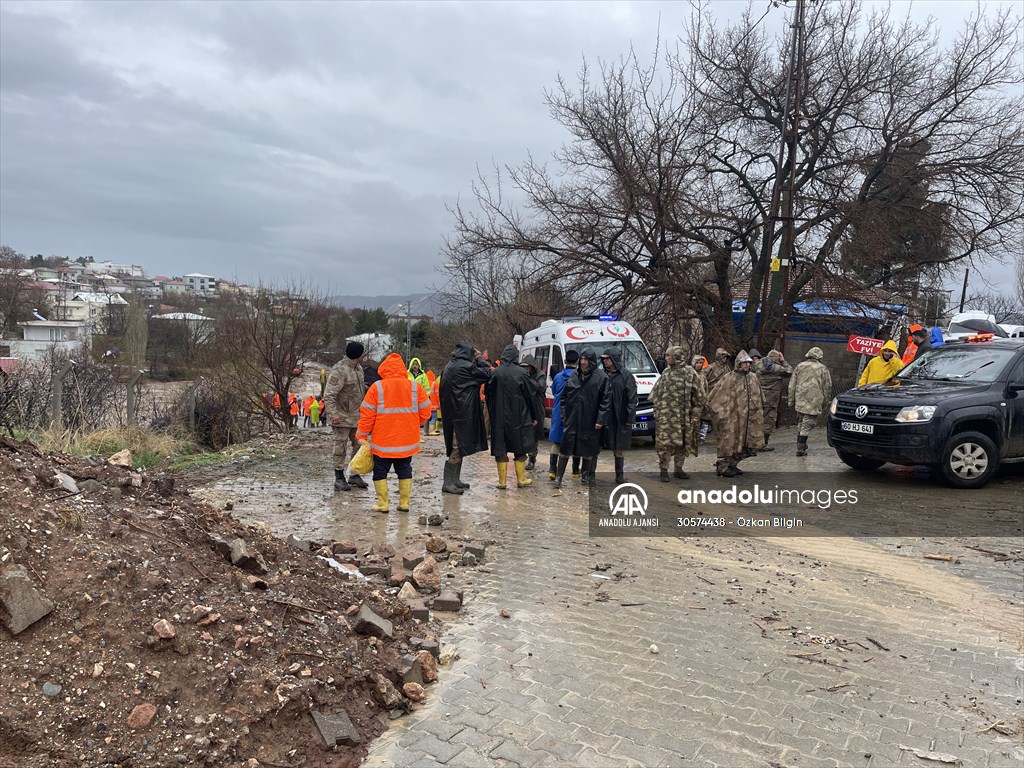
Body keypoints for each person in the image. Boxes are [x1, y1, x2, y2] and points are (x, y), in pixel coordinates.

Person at [357, 353, 431, 512]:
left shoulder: (377, 387)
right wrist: (414, 424)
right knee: (405, 469)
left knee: (380, 471)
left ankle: (383, 504)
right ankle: (404, 503)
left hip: (383, 441)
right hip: (406, 441)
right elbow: (426, 411)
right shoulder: (414, 387)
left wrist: (362, 435)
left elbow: (367, 415)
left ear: (384, 368)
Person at [485, 345, 542, 489]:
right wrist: (534, 416)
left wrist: (493, 412)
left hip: (499, 418)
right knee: (520, 447)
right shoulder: (522, 373)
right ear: (516, 357)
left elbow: (488, 393)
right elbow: (531, 396)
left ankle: (502, 482)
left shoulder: (495, 373)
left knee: (501, 448)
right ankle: (521, 479)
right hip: (519, 417)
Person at [554, 349, 611, 488]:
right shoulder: (574, 375)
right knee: (565, 448)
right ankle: (558, 477)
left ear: (591, 361)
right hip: (572, 418)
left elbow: (606, 400)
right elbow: (563, 398)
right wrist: (564, 416)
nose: (583, 362)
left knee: (588, 448)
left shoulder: (601, 377)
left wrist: (600, 419)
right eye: (582, 359)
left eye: (586, 359)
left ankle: (585, 476)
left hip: (590, 419)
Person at [439, 341, 491, 494]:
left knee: (458, 445)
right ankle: (448, 483)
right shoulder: (465, 367)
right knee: (457, 445)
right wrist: (480, 358)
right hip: (461, 412)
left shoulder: (450, 365)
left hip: (454, 412)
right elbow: (487, 373)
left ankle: (455, 479)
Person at [649, 345, 706, 482]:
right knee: (664, 443)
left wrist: (696, 414)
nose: (666, 358)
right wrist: (656, 410)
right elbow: (657, 393)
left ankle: (678, 468)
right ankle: (664, 469)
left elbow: (699, 396)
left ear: (676, 357)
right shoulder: (666, 373)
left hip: (683, 416)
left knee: (682, 443)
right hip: (666, 417)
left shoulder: (689, 373)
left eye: (668, 356)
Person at [706, 350, 765, 477]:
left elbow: (760, 397)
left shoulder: (753, 378)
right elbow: (715, 398)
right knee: (730, 442)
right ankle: (722, 466)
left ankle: (733, 464)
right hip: (734, 418)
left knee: (746, 444)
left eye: (748, 363)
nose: (747, 365)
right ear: (738, 363)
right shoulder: (729, 378)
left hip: (749, 419)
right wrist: (722, 414)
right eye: (744, 363)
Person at [325, 342, 369, 491]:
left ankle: (354, 475)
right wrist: (333, 415)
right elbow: (329, 395)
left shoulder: (359, 369)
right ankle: (339, 477)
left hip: (357, 417)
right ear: (359, 354)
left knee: (359, 446)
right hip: (342, 417)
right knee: (340, 447)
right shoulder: (339, 370)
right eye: (362, 353)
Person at [600, 347, 638, 484]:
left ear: (614, 359)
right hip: (603, 416)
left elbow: (632, 398)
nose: (605, 361)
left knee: (619, 448)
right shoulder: (601, 374)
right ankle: (589, 475)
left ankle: (619, 476)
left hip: (619, 417)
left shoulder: (626, 375)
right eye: (603, 359)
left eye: (607, 358)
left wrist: (629, 418)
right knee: (596, 445)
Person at [788, 346, 833, 457]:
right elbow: (828, 387)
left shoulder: (800, 366)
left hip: (800, 400)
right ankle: (801, 447)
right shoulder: (823, 369)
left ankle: (801, 443)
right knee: (808, 424)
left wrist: (791, 400)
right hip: (814, 401)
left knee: (801, 422)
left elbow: (792, 385)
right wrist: (826, 402)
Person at [547, 350, 581, 480]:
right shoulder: (579, 377)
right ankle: (575, 471)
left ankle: (552, 469)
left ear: (565, 361)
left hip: (557, 413)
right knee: (576, 442)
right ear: (577, 362)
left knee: (556, 442)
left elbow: (555, 391)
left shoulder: (557, 377)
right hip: (574, 413)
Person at [755, 349, 792, 451]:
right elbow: (789, 371)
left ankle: (753, 442)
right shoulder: (778, 369)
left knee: (757, 421)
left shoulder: (758, 366)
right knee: (769, 422)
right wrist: (783, 360)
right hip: (771, 400)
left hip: (758, 398)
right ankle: (763, 444)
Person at [519, 353, 547, 470]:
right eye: (523, 367)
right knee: (523, 433)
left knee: (534, 435)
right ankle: (523, 456)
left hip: (537, 408)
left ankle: (532, 459)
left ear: (531, 366)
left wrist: (528, 379)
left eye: (527, 367)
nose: (525, 369)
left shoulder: (540, 375)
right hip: (524, 407)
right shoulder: (522, 375)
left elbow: (540, 387)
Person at [699, 348, 732, 444]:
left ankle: (721, 437)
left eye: (726, 357)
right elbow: (702, 377)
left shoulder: (727, 368)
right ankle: (701, 437)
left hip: (723, 396)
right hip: (711, 394)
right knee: (706, 418)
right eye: (723, 357)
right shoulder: (710, 368)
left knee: (721, 418)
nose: (724, 359)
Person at [425, 370, 441, 435]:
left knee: (427, 418)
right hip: (434, 405)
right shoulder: (435, 384)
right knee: (434, 417)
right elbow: (437, 395)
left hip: (426, 405)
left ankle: (426, 432)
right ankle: (432, 431)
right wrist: (439, 403)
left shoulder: (426, 383)